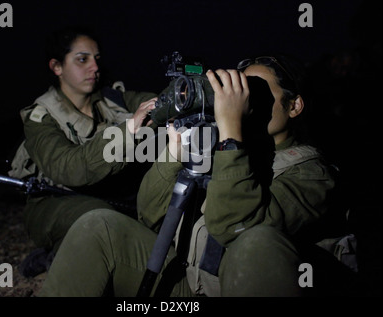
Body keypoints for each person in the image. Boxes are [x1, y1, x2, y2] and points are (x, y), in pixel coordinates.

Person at [38, 54, 349, 296]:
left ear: (294, 106)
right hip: (187, 292)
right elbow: (150, 216)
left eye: (255, 91)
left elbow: (236, 227)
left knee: (258, 242)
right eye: (238, 89)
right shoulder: (223, 150)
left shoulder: (312, 174)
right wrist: (174, 154)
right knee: (98, 224)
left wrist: (230, 136)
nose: (244, 100)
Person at [8, 26, 157, 277]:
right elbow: (69, 168)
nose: (95, 67)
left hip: (110, 193)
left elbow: (152, 100)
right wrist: (129, 131)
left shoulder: (111, 98)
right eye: (82, 59)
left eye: (96, 59)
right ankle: (55, 255)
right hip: (54, 201)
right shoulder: (40, 117)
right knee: (101, 218)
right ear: (57, 67)